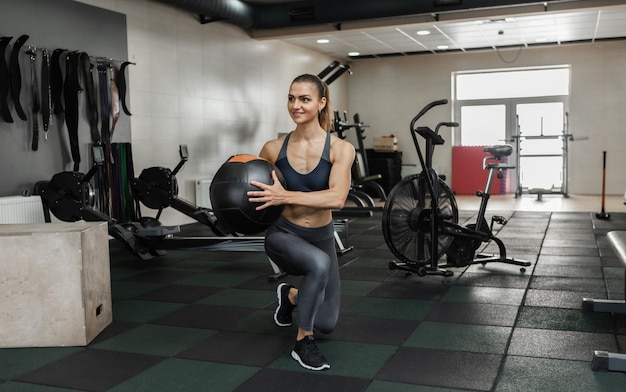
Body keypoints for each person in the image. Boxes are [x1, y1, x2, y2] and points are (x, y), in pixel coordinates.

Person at [247, 73, 355, 371]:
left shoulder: (340, 149)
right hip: (283, 235)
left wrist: (286, 196)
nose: (296, 105)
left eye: (304, 99)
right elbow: (256, 191)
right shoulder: (272, 149)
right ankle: (303, 342)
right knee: (317, 265)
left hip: (321, 236)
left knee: (327, 322)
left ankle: (290, 295)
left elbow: (336, 199)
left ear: (321, 103)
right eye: (291, 98)